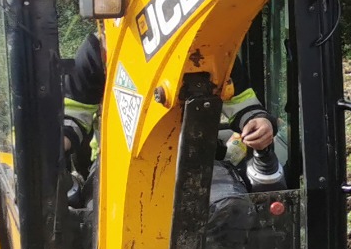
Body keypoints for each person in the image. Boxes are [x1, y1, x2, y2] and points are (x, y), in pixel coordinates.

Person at [62, 28, 280, 182]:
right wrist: (61, 140)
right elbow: (75, 111)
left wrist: (257, 121)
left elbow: (239, 100)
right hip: (115, 170)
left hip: (196, 162)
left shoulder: (208, 48)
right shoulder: (101, 49)